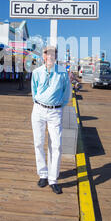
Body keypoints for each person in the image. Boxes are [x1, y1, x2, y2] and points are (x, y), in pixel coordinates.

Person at [31, 46, 71, 195]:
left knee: (57, 145)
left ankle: (53, 179)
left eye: (52, 54)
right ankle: (43, 174)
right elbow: (34, 91)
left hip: (55, 111)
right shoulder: (36, 72)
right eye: (47, 54)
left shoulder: (62, 73)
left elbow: (67, 93)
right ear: (43, 56)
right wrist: (40, 103)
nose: (49, 57)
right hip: (39, 110)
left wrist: (59, 106)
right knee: (39, 142)